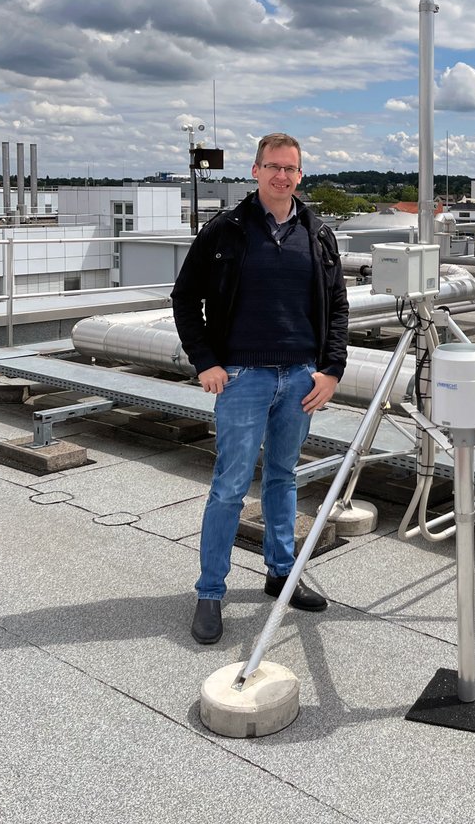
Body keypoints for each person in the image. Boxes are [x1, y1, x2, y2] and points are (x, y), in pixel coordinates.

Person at [172, 132, 349, 644]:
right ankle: (210, 592)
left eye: (290, 169)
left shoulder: (317, 234)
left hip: (299, 378)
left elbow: (337, 307)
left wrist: (331, 369)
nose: (281, 176)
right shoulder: (225, 231)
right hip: (243, 378)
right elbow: (185, 299)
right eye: (272, 167)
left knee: (283, 478)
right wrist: (205, 361)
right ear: (254, 171)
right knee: (229, 487)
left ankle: (281, 574)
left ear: (301, 174)